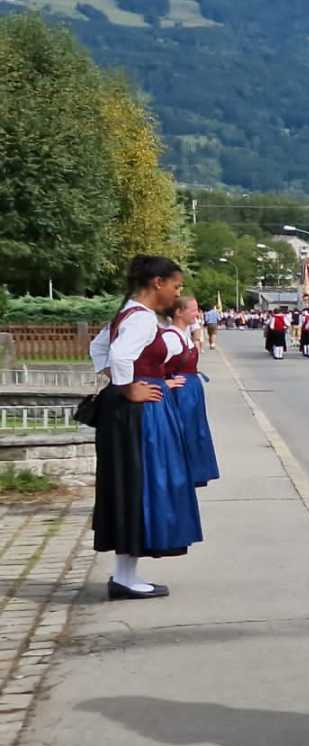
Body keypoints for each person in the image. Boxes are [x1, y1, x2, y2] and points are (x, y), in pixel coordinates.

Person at [88, 255, 203, 599]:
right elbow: (119, 355)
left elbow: (98, 348)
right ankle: (125, 577)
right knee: (140, 485)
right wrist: (128, 387)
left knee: (130, 485)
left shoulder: (128, 312)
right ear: (158, 283)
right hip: (139, 414)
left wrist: (118, 382)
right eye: (176, 285)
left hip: (130, 410)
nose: (177, 293)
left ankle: (125, 574)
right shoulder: (141, 318)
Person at [162, 297, 220, 487]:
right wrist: (165, 383)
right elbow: (154, 365)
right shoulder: (170, 337)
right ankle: (182, 475)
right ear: (179, 312)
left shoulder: (182, 334)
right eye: (193, 310)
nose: (197, 314)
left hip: (190, 391)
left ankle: (193, 474)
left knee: (195, 432)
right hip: (181, 394)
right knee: (185, 433)